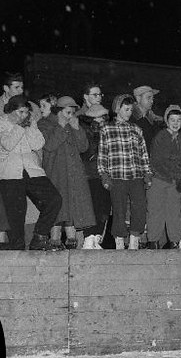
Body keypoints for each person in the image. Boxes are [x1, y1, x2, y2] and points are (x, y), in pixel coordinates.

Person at [0, 95, 64, 250]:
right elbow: (8, 144)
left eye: (26, 112)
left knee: (54, 199)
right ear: (11, 111)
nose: (24, 115)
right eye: (20, 112)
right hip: (10, 173)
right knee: (16, 214)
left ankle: (40, 237)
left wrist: (28, 127)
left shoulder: (30, 123)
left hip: (33, 170)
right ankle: (17, 245)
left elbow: (38, 144)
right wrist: (19, 126)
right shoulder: (2, 123)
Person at [97, 94, 152, 250]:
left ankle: (134, 239)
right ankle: (119, 241)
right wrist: (104, 175)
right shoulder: (107, 129)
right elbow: (103, 154)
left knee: (139, 207)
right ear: (117, 109)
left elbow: (143, 154)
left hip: (136, 175)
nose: (129, 112)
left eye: (131, 110)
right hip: (117, 176)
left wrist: (147, 173)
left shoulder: (136, 129)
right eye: (126, 109)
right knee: (119, 209)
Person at [40, 96, 93, 248]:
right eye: (68, 112)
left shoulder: (72, 124)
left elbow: (83, 147)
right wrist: (61, 126)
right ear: (59, 111)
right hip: (56, 173)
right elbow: (49, 145)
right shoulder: (45, 123)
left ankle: (72, 241)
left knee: (73, 205)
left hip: (74, 173)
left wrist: (77, 129)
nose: (71, 116)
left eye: (72, 112)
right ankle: (54, 240)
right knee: (58, 206)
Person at [146, 105, 181, 248]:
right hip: (159, 179)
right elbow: (159, 161)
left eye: (178, 120)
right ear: (166, 121)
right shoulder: (161, 137)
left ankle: (175, 241)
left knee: (174, 211)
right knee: (156, 210)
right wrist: (179, 174)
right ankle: (153, 241)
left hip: (175, 182)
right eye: (172, 120)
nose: (175, 123)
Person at [77, 83, 111, 249]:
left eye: (103, 117)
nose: (101, 120)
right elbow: (85, 150)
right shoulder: (85, 129)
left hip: (105, 173)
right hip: (91, 173)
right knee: (93, 206)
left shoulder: (107, 130)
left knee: (104, 206)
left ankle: (96, 238)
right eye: (97, 118)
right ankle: (88, 238)